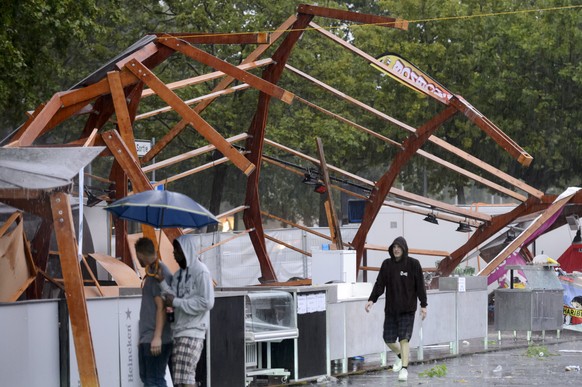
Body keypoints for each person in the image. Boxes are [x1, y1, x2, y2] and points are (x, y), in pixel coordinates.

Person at [365, 236, 427, 382]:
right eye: (394, 247)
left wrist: (423, 305)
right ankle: (401, 356)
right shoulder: (387, 265)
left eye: (399, 247)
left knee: (404, 339)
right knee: (388, 339)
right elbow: (379, 284)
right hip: (391, 310)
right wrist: (371, 299)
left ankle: (404, 369)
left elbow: (420, 286)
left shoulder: (413, 264)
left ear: (404, 249)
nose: (396, 249)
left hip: (407, 309)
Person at [157, 235, 215, 387]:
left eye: (177, 250)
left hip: (193, 331)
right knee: (182, 379)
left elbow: (207, 301)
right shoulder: (178, 275)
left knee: (185, 378)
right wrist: (161, 281)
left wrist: (176, 302)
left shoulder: (201, 272)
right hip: (178, 331)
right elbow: (172, 297)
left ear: (186, 250)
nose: (174, 254)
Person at [135, 237, 173, 387]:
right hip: (148, 336)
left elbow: (161, 307)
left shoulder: (159, 271)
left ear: (140, 254)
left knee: (154, 379)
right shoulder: (152, 271)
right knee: (147, 378)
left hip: (156, 338)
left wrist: (157, 337)